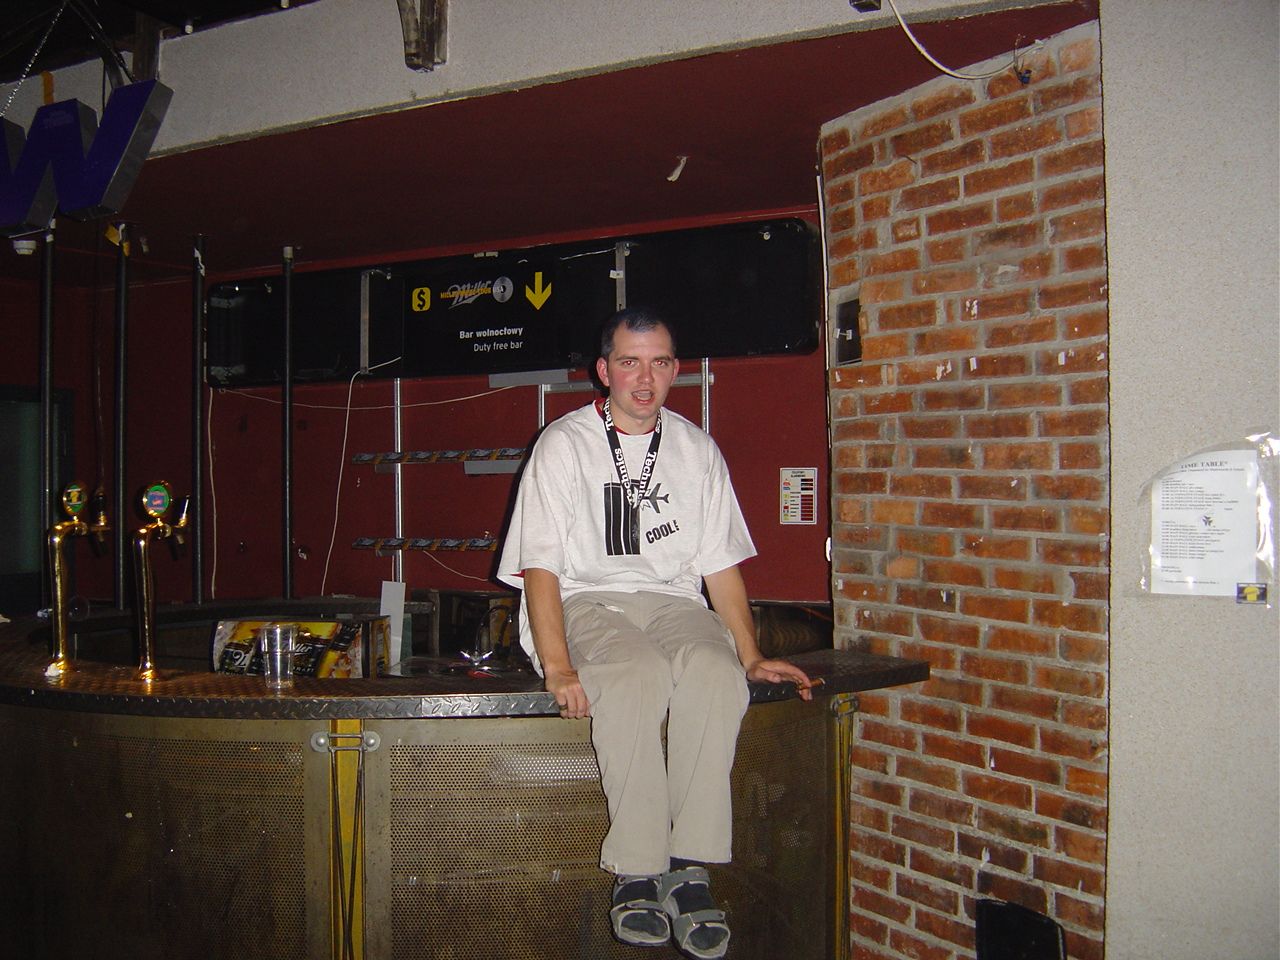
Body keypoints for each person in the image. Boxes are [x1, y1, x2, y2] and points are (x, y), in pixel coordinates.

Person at [497, 307, 812, 959]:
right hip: (587, 598)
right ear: (603, 370)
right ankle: (638, 869)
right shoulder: (564, 444)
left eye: (660, 362)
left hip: (671, 599)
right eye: (630, 363)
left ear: (674, 370)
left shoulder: (696, 449)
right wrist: (557, 665)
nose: (645, 378)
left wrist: (751, 655)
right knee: (634, 674)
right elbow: (539, 567)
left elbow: (719, 565)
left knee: (716, 674)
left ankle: (688, 865)